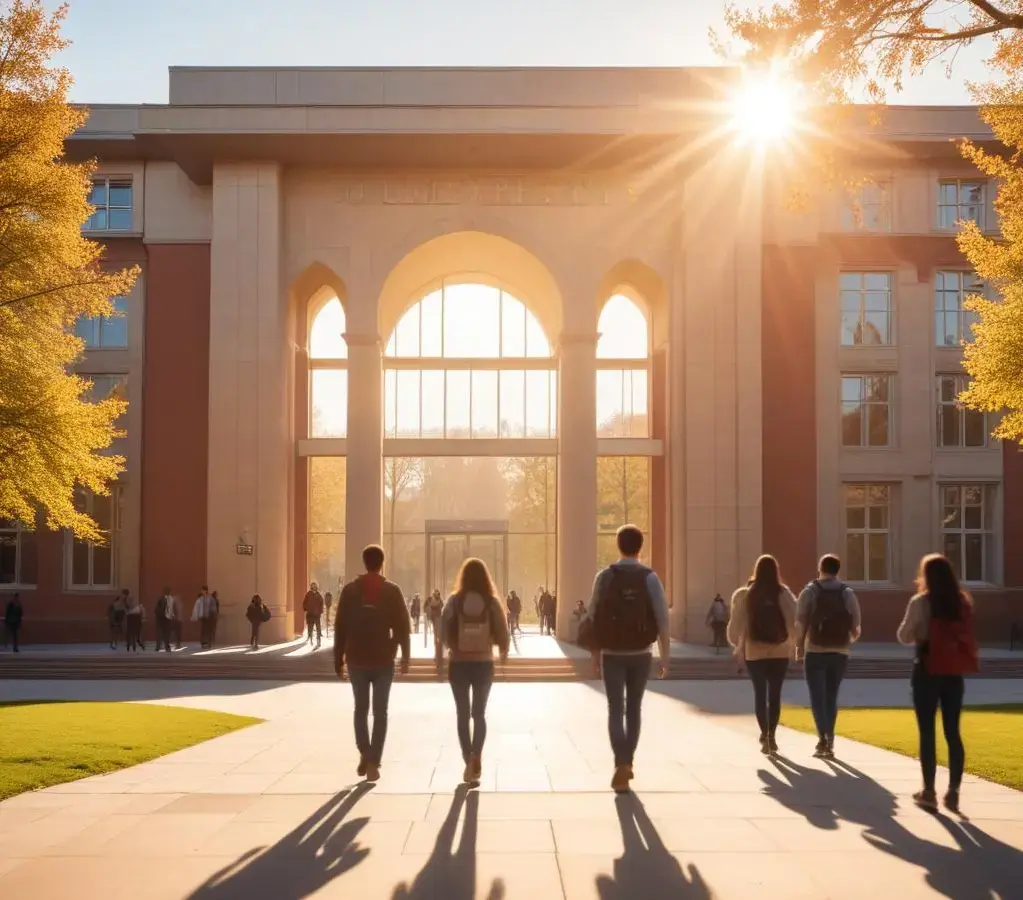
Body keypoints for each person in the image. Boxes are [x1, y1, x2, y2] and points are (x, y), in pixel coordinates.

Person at [587, 524, 671, 793]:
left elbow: (593, 615)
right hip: (641, 653)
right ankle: (628, 761)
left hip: (612, 652)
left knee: (614, 709)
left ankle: (619, 762)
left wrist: (595, 653)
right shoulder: (650, 578)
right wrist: (665, 656)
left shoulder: (605, 577)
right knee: (634, 709)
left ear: (618, 545)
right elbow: (662, 618)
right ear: (640, 546)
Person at [897, 553, 978, 814]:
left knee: (927, 732)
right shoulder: (962, 602)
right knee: (953, 732)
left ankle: (929, 791)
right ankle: (953, 791)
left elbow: (904, 635)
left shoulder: (921, 602)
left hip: (926, 669)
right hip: (954, 672)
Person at [334, 544, 411, 783]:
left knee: (360, 709)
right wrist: (405, 656)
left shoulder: (350, 591)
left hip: (357, 657)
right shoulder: (392, 591)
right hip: (383, 658)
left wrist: (338, 659)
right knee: (380, 711)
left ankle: (365, 753)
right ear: (382, 562)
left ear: (364, 562)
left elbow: (340, 627)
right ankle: (374, 760)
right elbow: (402, 627)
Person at [438, 557, 510, 784]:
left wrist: (440, 655)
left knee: (462, 714)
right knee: (479, 714)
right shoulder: (492, 602)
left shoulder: (454, 601)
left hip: (458, 663)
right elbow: (502, 631)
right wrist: (504, 652)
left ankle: (467, 757)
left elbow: (442, 628)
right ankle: (477, 755)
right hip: (483, 663)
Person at [728, 556, 797, 755]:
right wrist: (793, 644)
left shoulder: (745, 594)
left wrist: (738, 645)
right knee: (775, 695)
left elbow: (735, 626)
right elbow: (794, 621)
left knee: (760, 693)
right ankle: (772, 735)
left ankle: (764, 733)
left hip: (754, 651)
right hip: (779, 651)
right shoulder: (783, 593)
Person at [795, 554, 862, 759]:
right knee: (831, 696)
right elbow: (857, 626)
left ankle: (822, 739)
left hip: (815, 650)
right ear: (838, 570)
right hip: (839, 652)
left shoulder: (810, 591)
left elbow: (800, 622)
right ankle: (830, 739)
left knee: (817, 697)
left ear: (820, 568)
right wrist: (845, 639)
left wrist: (799, 646)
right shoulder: (847, 593)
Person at [303, 581, 324, 648]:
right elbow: (304, 602)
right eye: (313, 586)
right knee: (310, 627)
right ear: (311, 587)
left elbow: (321, 603)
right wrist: (306, 609)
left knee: (318, 628)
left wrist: (320, 611)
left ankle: (318, 640)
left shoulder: (318, 594)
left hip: (317, 614)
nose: (314, 587)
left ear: (316, 587)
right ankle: (310, 637)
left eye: (315, 586)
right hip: (310, 614)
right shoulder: (308, 594)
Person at [154, 587, 175, 653]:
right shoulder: (167, 599)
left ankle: (160, 647)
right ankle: (164, 647)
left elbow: (157, 608)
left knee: (162, 633)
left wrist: (171, 614)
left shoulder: (167, 598)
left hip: (163, 618)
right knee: (165, 633)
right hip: (163, 618)